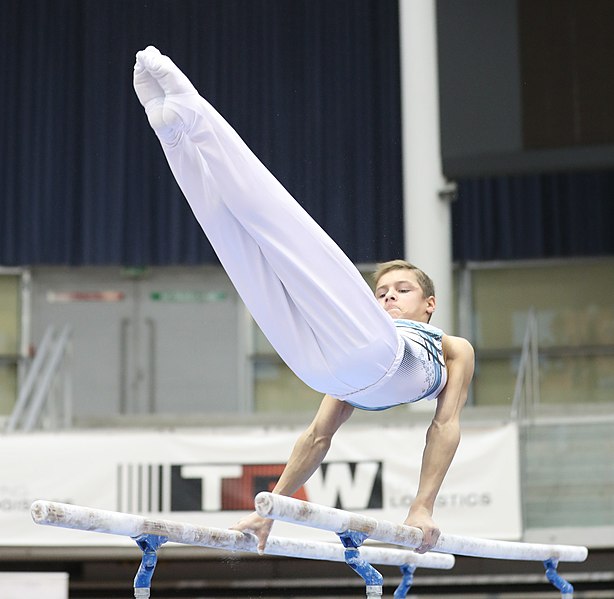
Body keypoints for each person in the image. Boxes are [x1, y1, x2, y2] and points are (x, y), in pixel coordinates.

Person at [133, 46, 475, 555]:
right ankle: (181, 122)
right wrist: (273, 504)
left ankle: (177, 133)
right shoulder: (369, 322)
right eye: (381, 291)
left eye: (401, 291)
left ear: (430, 304)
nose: (387, 297)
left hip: (332, 366)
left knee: (244, 249)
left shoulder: (452, 348)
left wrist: (422, 504)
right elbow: (318, 439)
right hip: (349, 359)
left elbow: (445, 425)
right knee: (270, 230)